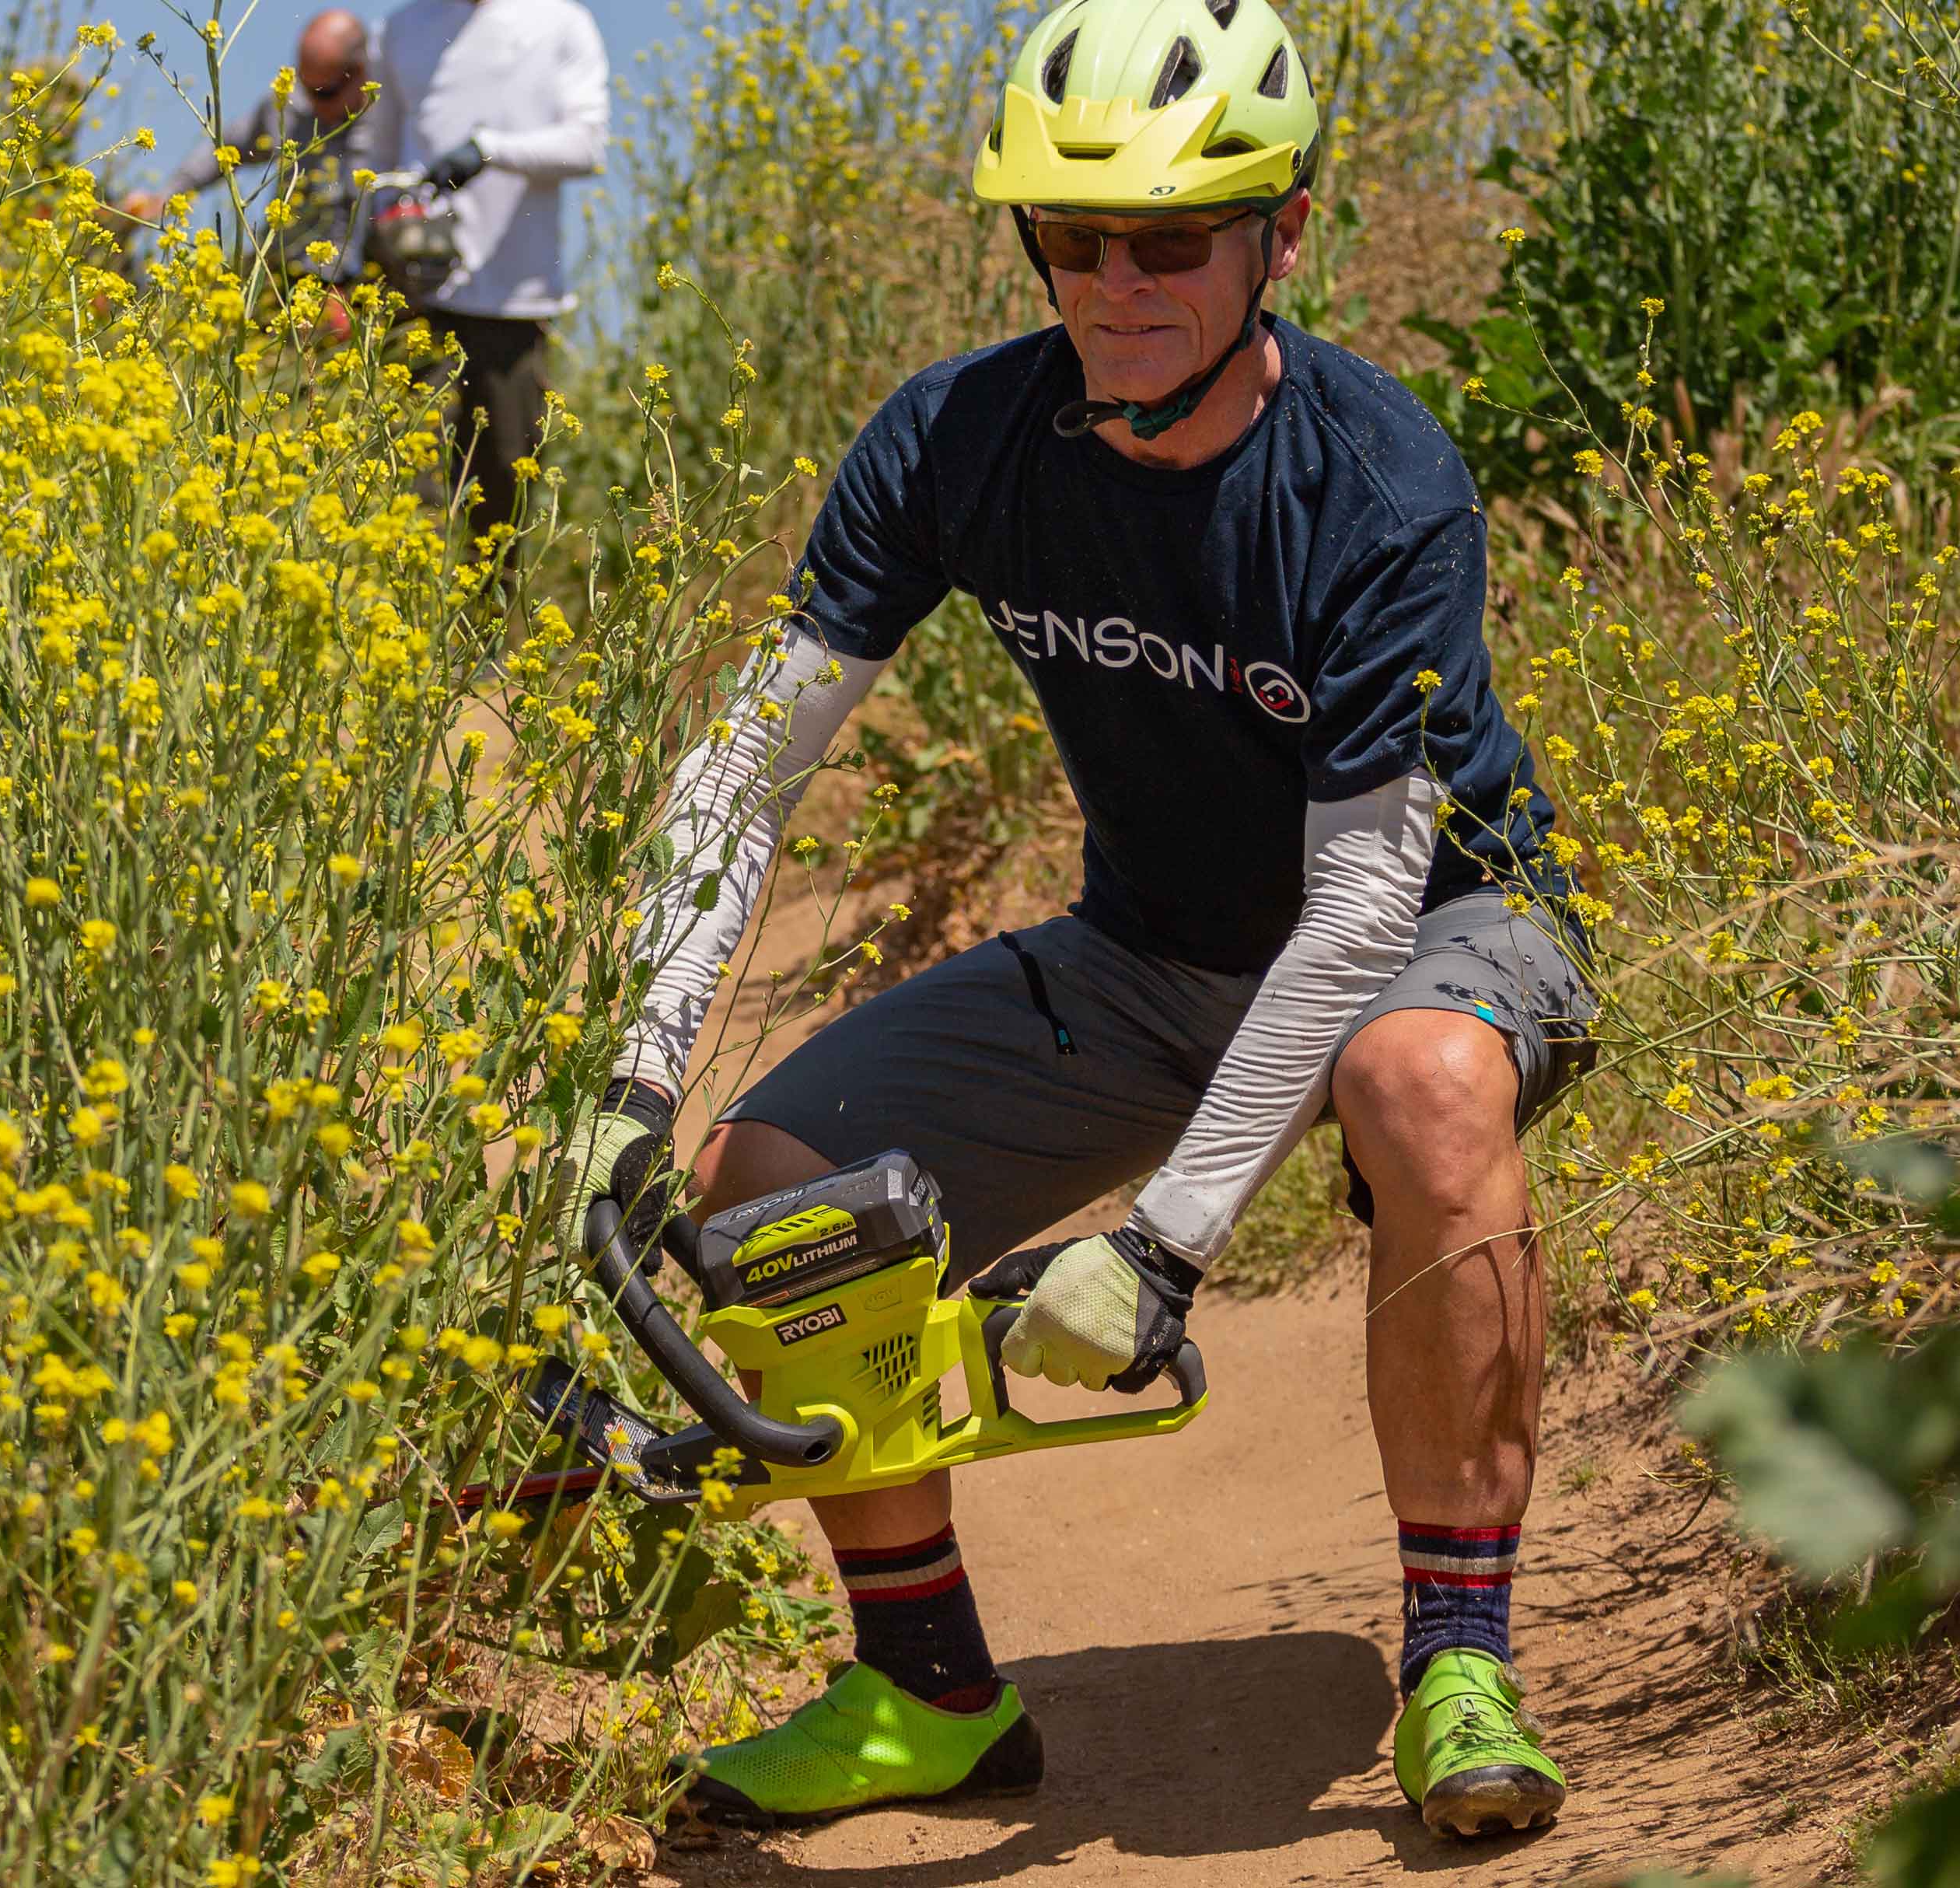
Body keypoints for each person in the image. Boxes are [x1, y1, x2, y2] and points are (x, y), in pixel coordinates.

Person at [556, 0, 1595, 1844]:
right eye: (1066, 236)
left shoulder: (1374, 483)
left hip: (1432, 925)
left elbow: (1360, 898)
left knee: (1418, 1074)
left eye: (1168, 240)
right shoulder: (955, 435)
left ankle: (1457, 1651)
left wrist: (1168, 1244)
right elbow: (742, 774)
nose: (1111, 283)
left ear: (1277, 237)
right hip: (1148, 952)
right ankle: (924, 1687)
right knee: (766, 1172)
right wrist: (628, 1081)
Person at [356, 0, 606, 551]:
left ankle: (483, 636)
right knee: (407, 502)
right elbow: (376, 158)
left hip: (512, 306)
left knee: (498, 509)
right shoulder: (400, 28)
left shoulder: (560, 20)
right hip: (416, 302)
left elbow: (588, 143)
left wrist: (490, 151)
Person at [121, 12, 374, 287]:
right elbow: (224, 149)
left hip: (364, 285)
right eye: (306, 87)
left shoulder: (394, 122)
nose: (313, 102)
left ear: (359, 72)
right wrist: (167, 196)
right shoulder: (285, 108)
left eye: (325, 92)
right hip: (283, 277)